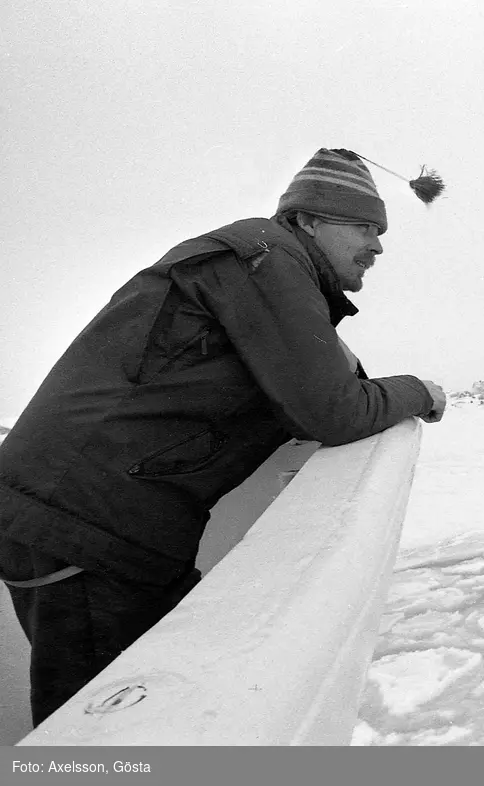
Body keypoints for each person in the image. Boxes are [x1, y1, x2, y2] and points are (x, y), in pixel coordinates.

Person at [0, 147, 447, 726]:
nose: (378, 246)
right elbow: (332, 412)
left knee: (157, 706)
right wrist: (420, 391)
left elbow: (319, 383)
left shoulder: (262, 266)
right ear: (308, 220)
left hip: (110, 528)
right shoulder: (265, 260)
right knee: (102, 732)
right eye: (364, 226)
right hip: (82, 529)